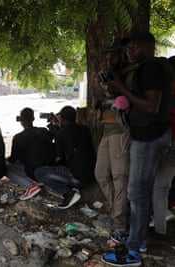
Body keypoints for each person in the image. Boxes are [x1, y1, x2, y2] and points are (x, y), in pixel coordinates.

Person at [102, 31, 173, 267]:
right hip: (153, 135)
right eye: (128, 48)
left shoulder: (150, 69)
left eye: (134, 46)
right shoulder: (147, 68)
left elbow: (151, 107)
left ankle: (132, 252)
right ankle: (138, 239)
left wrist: (120, 87)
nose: (130, 51)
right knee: (144, 192)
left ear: (149, 46)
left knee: (137, 194)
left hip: (148, 139)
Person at [94, 38, 131, 233]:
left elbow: (125, 104)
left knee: (119, 178)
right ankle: (117, 209)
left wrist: (114, 86)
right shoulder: (111, 76)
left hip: (120, 132)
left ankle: (119, 221)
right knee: (100, 174)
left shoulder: (128, 76)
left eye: (113, 54)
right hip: (107, 133)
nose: (109, 58)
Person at [34, 106, 96, 209]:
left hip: (77, 178)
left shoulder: (61, 134)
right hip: (92, 175)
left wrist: (56, 132)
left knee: (39, 172)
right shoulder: (85, 129)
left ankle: (68, 193)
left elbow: (59, 158)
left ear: (62, 119)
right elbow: (72, 134)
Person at [5, 107, 55, 200]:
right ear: (33, 119)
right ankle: (39, 182)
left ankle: (31, 186)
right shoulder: (44, 131)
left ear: (21, 121)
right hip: (49, 167)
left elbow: (13, 159)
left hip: (33, 171)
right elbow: (54, 133)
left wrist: (5, 159)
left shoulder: (18, 138)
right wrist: (54, 122)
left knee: (5, 167)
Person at [150, 55, 175, 240]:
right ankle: (160, 228)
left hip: (164, 142)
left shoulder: (166, 91)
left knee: (156, 188)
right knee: (162, 188)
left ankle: (158, 229)